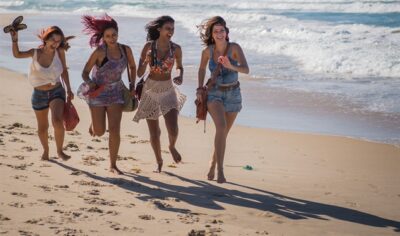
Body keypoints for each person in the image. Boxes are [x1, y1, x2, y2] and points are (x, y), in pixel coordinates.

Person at [80, 14, 136, 174]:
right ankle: (94, 125)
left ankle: (113, 164)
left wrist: (132, 85)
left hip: (116, 93)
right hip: (97, 93)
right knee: (99, 131)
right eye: (108, 36)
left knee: (115, 129)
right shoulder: (99, 52)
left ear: (118, 34)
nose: (112, 38)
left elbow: (132, 66)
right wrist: (90, 83)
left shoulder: (125, 50)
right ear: (103, 37)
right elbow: (85, 72)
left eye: (114, 35)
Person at [9, 25, 74, 161]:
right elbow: (17, 55)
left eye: (58, 41)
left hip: (57, 91)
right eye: (53, 40)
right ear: (46, 40)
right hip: (39, 94)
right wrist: (14, 39)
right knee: (42, 128)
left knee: (57, 121)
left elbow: (64, 71)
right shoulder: (35, 53)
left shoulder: (59, 52)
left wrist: (68, 89)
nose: (56, 44)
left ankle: (60, 151)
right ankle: (46, 150)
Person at [197, 16, 249, 183]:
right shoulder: (208, 51)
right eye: (216, 31)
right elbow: (201, 69)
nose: (219, 34)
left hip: (233, 94)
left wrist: (230, 65)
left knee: (223, 132)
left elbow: (246, 69)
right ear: (212, 35)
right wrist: (199, 87)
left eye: (222, 31)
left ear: (227, 33)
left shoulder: (234, 48)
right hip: (215, 93)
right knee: (221, 126)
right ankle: (220, 169)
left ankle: (213, 163)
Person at [134, 15, 186, 173]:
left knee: (173, 129)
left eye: (173, 29)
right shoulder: (148, 46)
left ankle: (171, 146)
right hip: (149, 90)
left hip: (168, 89)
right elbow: (139, 73)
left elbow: (180, 67)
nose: (171, 31)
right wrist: (145, 60)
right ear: (159, 29)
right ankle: (159, 161)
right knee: (154, 132)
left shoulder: (175, 48)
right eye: (168, 28)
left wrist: (180, 75)